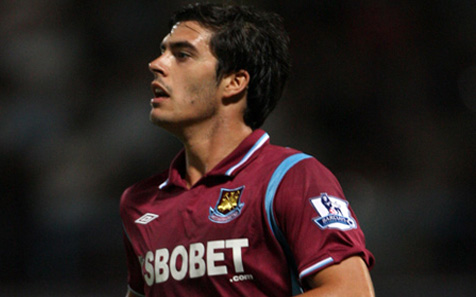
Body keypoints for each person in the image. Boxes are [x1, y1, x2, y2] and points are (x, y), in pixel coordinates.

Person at [120, 3, 375, 297]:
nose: (156, 63)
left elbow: (352, 291)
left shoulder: (292, 178)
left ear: (234, 82)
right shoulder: (139, 203)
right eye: (163, 51)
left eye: (182, 55)